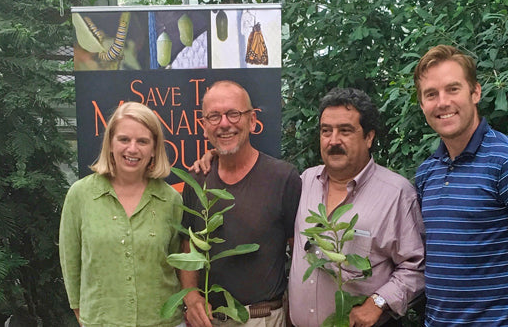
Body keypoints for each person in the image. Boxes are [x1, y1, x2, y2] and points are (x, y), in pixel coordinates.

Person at [413, 45, 508, 325]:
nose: (442, 102)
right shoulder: (427, 173)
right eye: (431, 94)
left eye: (453, 89)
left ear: (475, 93)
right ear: (422, 104)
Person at [288, 88, 425, 327]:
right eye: (326, 131)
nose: (333, 141)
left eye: (345, 131)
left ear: (369, 137)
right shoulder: (305, 182)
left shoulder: (396, 194)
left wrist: (379, 301)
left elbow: (417, 267)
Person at [179, 80, 302, 327]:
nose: (224, 123)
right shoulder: (196, 180)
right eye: (214, 116)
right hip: (209, 320)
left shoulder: (283, 178)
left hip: (262, 318)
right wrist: (191, 298)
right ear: (204, 126)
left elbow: (299, 253)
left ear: (252, 120)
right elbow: (188, 247)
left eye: (234, 114)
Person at [59, 102, 185, 327]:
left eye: (143, 141)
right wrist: (83, 315)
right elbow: (71, 264)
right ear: (110, 144)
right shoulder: (81, 195)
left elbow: (178, 265)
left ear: (155, 148)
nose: (133, 149)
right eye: (124, 139)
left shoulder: (171, 200)